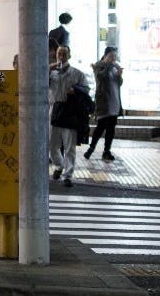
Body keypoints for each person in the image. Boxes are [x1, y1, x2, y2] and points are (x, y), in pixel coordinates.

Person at [48, 44, 88, 188]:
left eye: (64, 54)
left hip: (70, 112)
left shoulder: (77, 73)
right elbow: (38, 82)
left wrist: (75, 90)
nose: (61, 57)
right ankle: (59, 166)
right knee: (51, 144)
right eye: (59, 54)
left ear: (69, 56)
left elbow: (86, 89)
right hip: (54, 110)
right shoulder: (51, 73)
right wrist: (48, 69)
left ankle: (68, 175)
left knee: (69, 146)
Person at [84, 46, 123, 162]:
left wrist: (119, 75)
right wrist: (107, 65)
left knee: (111, 128)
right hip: (103, 103)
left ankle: (107, 151)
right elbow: (101, 77)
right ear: (105, 56)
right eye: (111, 56)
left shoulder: (115, 67)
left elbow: (119, 83)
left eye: (114, 56)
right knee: (100, 127)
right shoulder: (98, 66)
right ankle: (91, 148)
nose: (113, 58)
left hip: (114, 101)